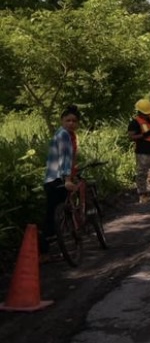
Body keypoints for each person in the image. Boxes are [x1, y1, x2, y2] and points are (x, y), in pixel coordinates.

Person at [41, 105, 81, 262]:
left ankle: (49, 250)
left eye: (74, 121)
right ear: (62, 121)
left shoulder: (64, 134)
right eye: (68, 120)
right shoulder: (64, 135)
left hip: (53, 179)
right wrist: (68, 179)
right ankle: (44, 252)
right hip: (57, 179)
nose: (71, 123)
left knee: (55, 215)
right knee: (52, 216)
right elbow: (65, 158)